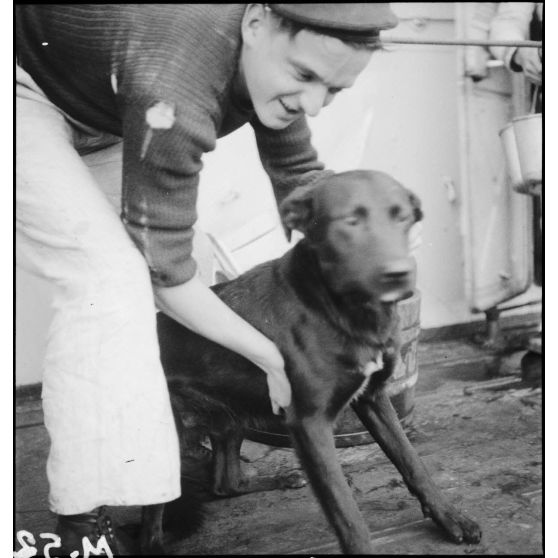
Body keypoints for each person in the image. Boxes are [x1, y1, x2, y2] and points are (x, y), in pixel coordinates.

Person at [15, 4, 398, 554]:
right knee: (106, 276)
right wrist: (273, 358)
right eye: (304, 76)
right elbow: (166, 279)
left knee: (184, 247)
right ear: (256, 24)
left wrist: (376, 238)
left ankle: (179, 453)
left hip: (102, 106)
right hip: (22, 86)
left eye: (333, 91)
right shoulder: (177, 77)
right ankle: (83, 523)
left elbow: (303, 183)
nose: (311, 103)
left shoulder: (267, 67)